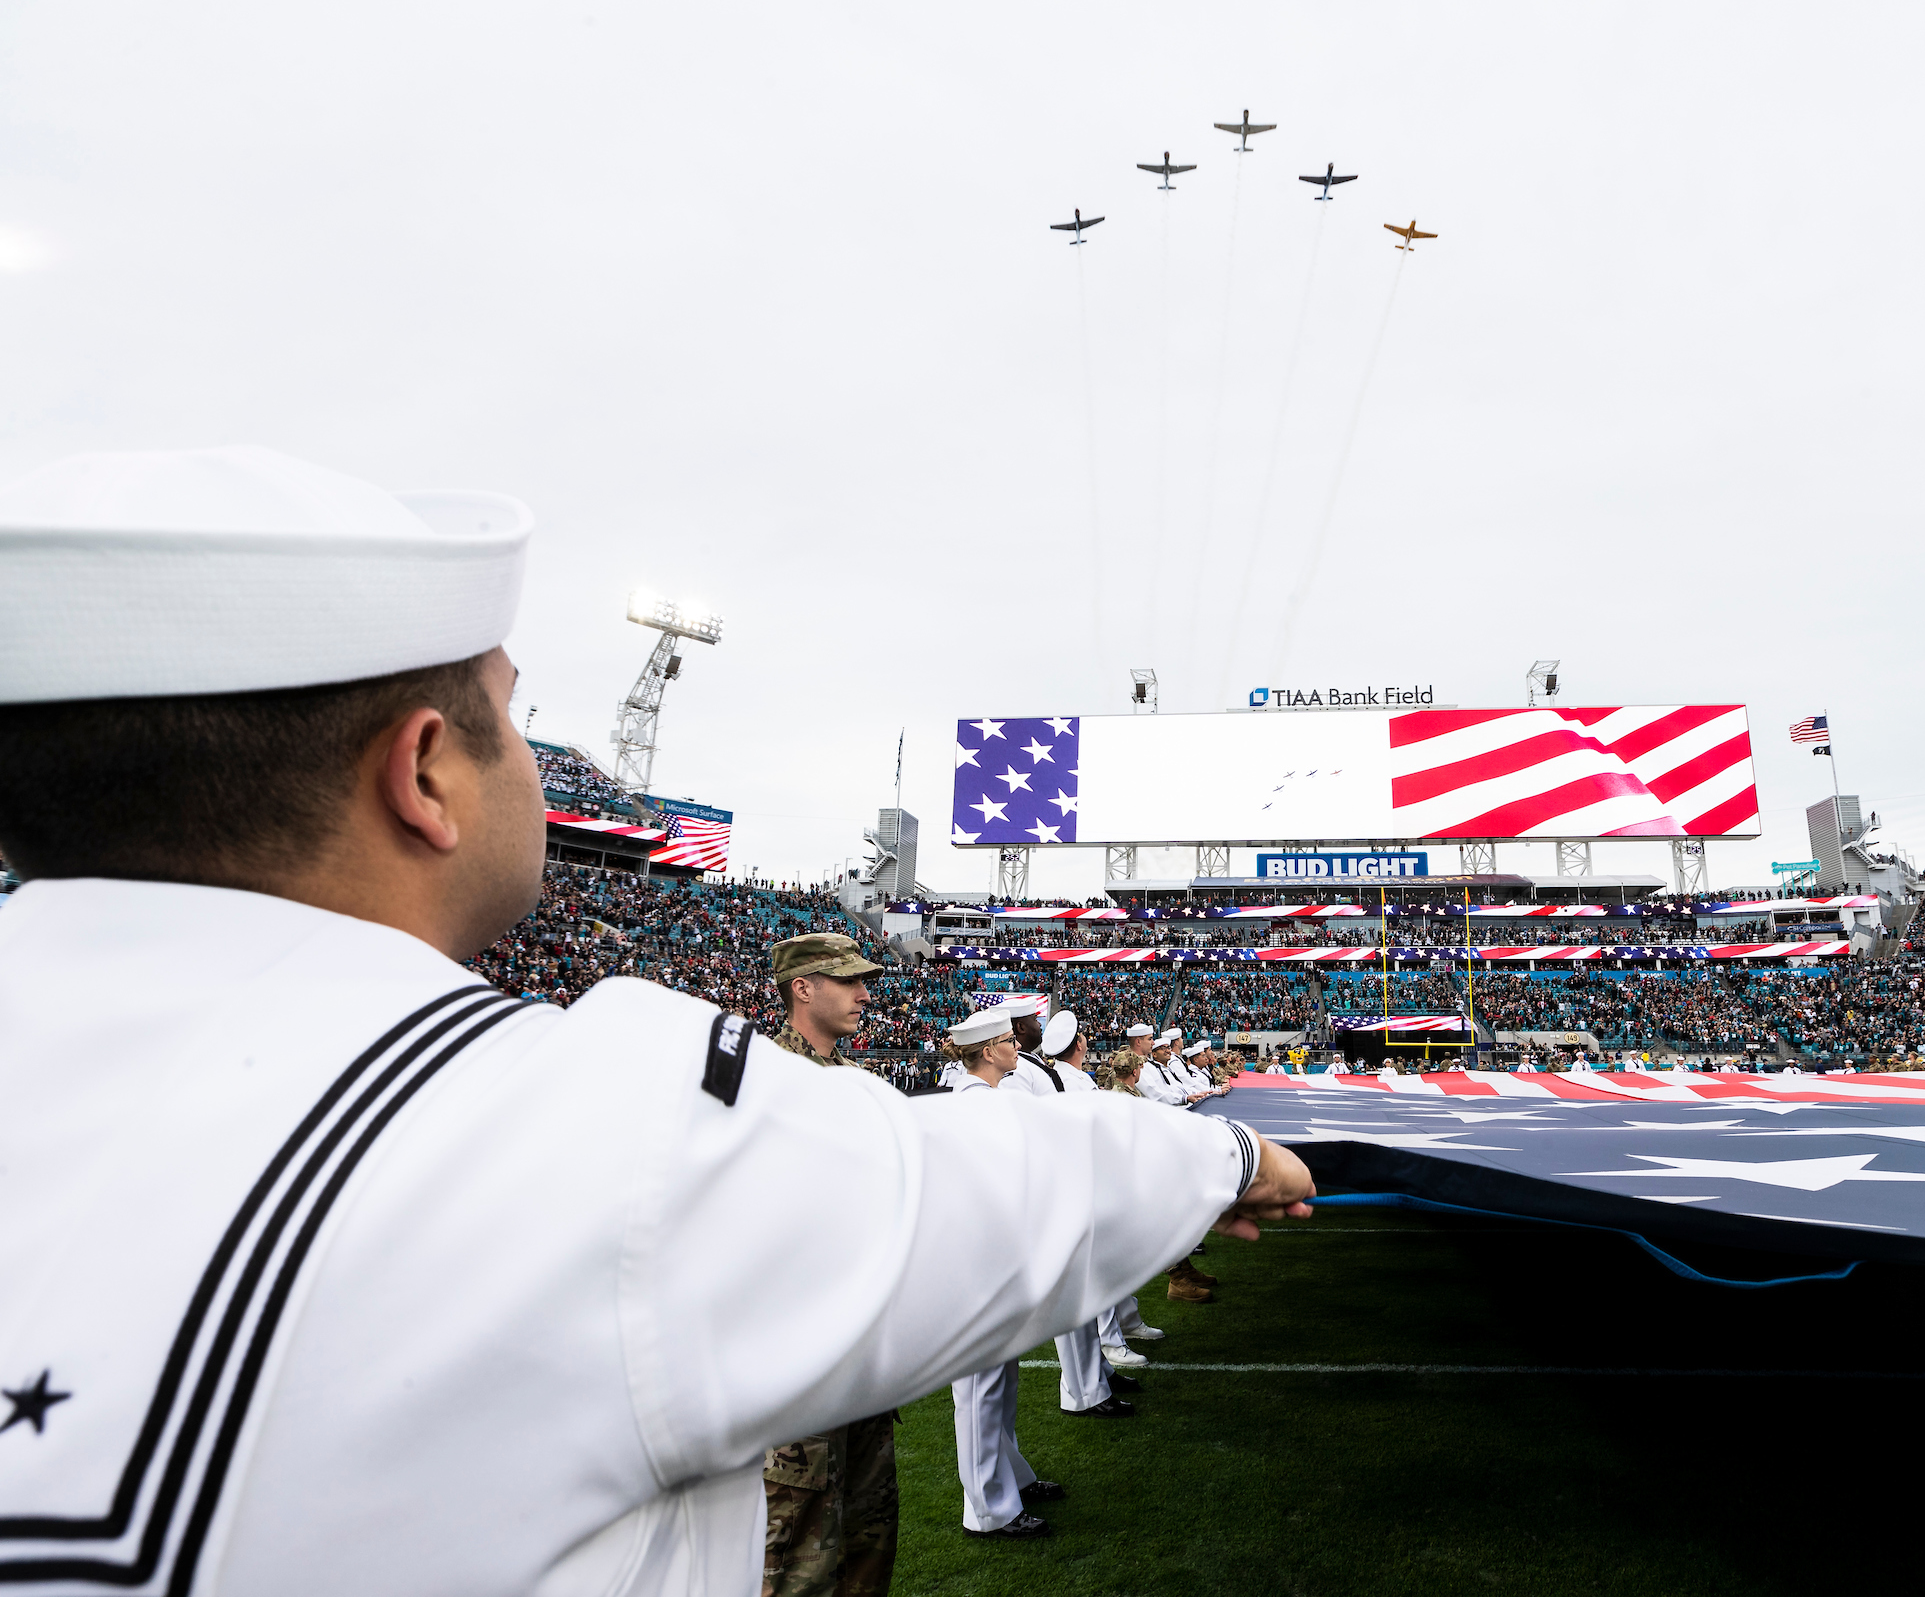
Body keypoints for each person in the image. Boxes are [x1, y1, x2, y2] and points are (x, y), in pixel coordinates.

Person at [0, 445, 1315, 1594]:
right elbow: (982, 1196)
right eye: (510, 715)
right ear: (421, 774)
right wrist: (1230, 1156)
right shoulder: (577, 1128)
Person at [759, 931, 900, 1597]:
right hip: (795, 1350)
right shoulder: (760, 1079)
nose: (865, 994)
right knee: (801, 1553)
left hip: (861, 1352)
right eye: (848, 981)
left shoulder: (854, 1083)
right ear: (802, 988)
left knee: (870, 1534)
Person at [939, 1009, 1070, 1539]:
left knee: (1002, 1382)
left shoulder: (985, 1100)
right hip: (975, 1263)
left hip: (993, 1258)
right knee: (979, 1389)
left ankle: (1010, 1476)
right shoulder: (977, 1106)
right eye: (1007, 1041)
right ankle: (990, 1510)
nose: (1017, 1046)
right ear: (988, 1052)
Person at [997, 1006, 1137, 1419]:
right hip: (1053, 1193)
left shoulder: (1032, 1064)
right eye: (1035, 1022)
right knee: (1072, 1299)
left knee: (1087, 1294)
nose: (1042, 1026)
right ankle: (1083, 1393)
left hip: (1071, 1185)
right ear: (1019, 1028)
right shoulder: (1017, 1072)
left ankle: (1099, 1374)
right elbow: (1027, 1128)